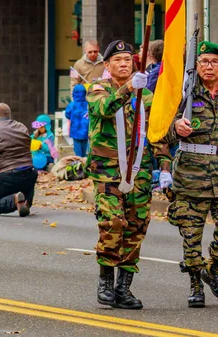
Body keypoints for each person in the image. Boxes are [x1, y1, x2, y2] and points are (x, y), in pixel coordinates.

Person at [87, 40, 171, 310]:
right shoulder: (98, 89)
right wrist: (129, 88)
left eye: (127, 60)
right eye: (118, 60)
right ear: (107, 65)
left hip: (140, 171)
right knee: (113, 222)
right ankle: (105, 283)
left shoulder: (145, 96)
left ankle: (124, 288)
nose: (123, 64)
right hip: (108, 171)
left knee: (136, 227)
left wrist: (166, 166)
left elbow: (157, 134)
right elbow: (105, 108)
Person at [167, 41, 218, 308]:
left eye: (214, 61)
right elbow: (161, 132)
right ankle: (196, 284)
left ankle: (214, 266)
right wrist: (176, 126)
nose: (209, 66)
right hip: (191, 175)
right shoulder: (184, 93)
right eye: (204, 62)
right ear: (195, 66)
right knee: (191, 235)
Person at [0, 103, 37, 217]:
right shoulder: (22, 127)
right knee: (27, 183)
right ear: (9, 115)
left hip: (8, 174)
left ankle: (15, 199)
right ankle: (25, 202)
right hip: (29, 172)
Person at [65, 83, 89, 157]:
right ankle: (85, 164)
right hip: (86, 130)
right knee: (85, 150)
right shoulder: (88, 104)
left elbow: (67, 115)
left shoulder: (71, 105)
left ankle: (79, 165)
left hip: (75, 131)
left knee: (77, 152)